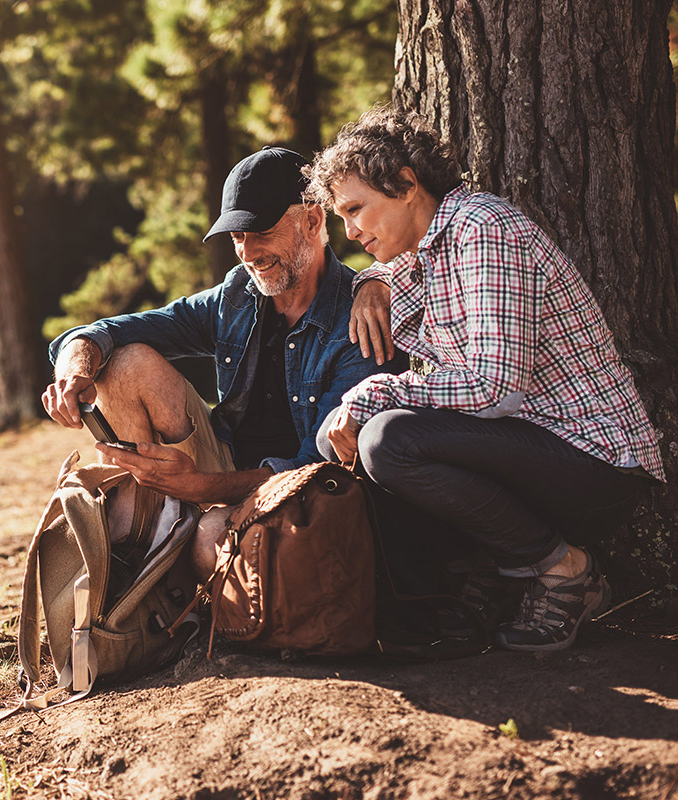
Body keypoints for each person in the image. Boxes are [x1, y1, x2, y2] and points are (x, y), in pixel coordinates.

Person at [305, 106, 665, 652]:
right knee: (337, 439)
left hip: (593, 461)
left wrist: (374, 395)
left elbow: (496, 386)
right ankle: (481, 576)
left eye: (356, 210)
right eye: (342, 217)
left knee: (386, 438)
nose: (351, 232)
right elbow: (382, 281)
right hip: (523, 453)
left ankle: (568, 572)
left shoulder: (481, 230)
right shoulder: (418, 252)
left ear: (406, 184)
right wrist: (368, 283)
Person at [41, 146, 394, 576]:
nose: (248, 252)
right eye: (237, 237)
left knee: (213, 540)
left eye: (260, 231)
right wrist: (74, 367)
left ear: (313, 220)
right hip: (221, 462)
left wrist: (199, 486)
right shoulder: (238, 293)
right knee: (124, 362)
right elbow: (117, 330)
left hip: (298, 491)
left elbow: (317, 466)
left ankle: (169, 544)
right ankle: (152, 531)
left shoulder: (360, 319)